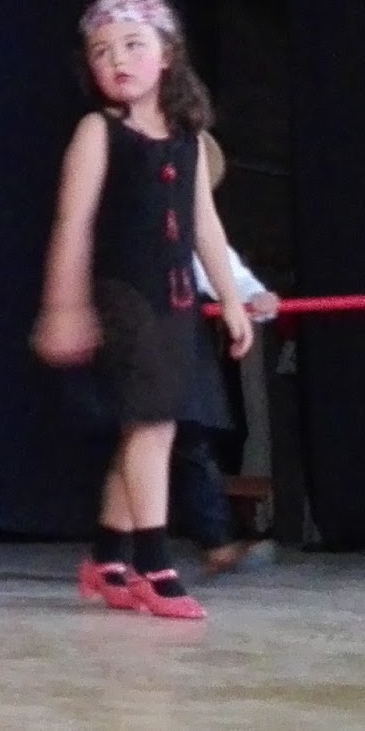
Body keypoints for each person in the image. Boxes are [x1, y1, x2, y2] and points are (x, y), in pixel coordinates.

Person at [32, 0, 252, 620]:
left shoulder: (188, 139)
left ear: (167, 54)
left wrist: (232, 300)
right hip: (125, 296)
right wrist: (64, 306)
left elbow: (204, 225)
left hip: (177, 299)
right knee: (151, 425)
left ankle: (108, 555)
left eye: (132, 44)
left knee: (150, 426)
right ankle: (155, 563)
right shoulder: (99, 132)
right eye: (102, 51)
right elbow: (72, 223)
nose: (117, 59)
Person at [175, 132, 279, 573]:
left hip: (180, 341)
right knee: (149, 437)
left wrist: (254, 297)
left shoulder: (193, 225)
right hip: (139, 331)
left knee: (183, 436)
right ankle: (118, 552)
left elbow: (226, 271)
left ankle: (212, 540)